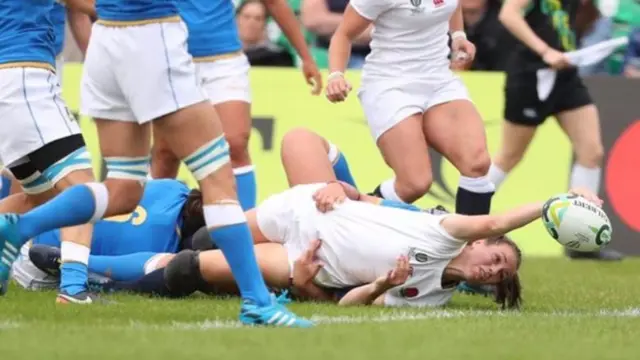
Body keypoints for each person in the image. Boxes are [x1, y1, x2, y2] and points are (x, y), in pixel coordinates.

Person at [0, 0, 312, 327]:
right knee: (217, 179)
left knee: (123, 190)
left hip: (106, 40)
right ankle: (258, 302)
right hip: (150, 32)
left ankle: (21, 228)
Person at [324, 0, 497, 220]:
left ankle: (472, 248)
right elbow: (343, 35)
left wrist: (458, 36)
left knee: (477, 163)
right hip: (390, 84)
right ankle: (355, 221)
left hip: (439, 79)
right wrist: (336, 75)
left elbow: (452, 5)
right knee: (415, 183)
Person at [150, 0, 322, 211]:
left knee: (236, 143)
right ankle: (154, 225)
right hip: (172, 59)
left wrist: (306, 57)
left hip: (224, 61)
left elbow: (275, 3)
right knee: (165, 152)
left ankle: (247, 224)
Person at [488, 0, 622, 261]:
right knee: (509, 157)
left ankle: (581, 239)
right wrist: (545, 50)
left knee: (591, 151)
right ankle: (466, 217)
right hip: (531, 74)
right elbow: (508, 14)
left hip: (565, 73)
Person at [0, 0, 100, 302]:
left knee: (43, 197)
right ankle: (73, 288)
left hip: (16, 73)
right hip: (22, 76)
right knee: (84, 190)